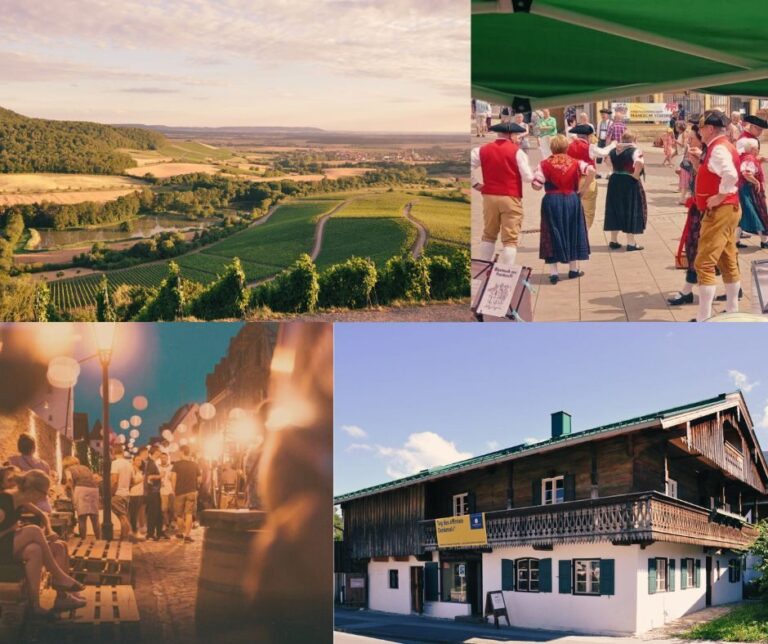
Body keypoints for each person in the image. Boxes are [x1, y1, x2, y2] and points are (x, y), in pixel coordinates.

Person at [0, 470, 86, 614]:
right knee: (33, 530)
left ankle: (35, 606)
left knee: (35, 550)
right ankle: (59, 577)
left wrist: (47, 530)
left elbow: (42, 515)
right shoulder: (4, 501)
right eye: (45, 493)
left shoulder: (20, 500)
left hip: (8, 547)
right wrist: (16, 532)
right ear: (33, 491)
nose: (45, 497)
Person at [693, 109, 742, 321]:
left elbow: (730, 174)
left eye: (701, 127)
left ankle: (704, 318)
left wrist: (720, 196)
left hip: (720, 210)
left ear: (710, 129)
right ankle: (732, 309)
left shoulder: (717, 149)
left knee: (704, 262)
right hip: (729, 209)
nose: (699, 131)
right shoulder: (721, 146)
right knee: (727, 258)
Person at [532, 134, 595, 283]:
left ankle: (554, 273)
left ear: (552, 148)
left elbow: (536, 186)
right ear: (567, 147)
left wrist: (533, 180)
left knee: (551, 232)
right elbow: (591, 170)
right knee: (572, 230)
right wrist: (584, 188)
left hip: (552, 200)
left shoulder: (543, 164)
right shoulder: (576, 162)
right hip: (572, 199)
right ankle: (573, 269)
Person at [471, 121, 534, 265]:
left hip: (489, 196)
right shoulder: (517, 152)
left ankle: (483, 267)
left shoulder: (482, 150)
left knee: (489, 234)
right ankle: (506, 272)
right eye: (517, 135)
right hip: (510, 196)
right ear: (510, 135)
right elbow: (528, 178)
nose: (519, 138)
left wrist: (475, 184)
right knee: (510, 239)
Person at [669, 123, 705, 306]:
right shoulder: (696, 156)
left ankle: (733, 292)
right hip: (698, 209)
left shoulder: (709, 158)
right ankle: (687, 290)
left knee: (699, 250)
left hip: (707, 213)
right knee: (696, 249)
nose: (688, 141)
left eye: (692, 138)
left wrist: (698, 164)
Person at [604, 129, 647, 251]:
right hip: (628, 181)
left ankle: (613, 240)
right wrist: (636, 175)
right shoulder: (635, 150)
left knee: (615, 208)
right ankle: (631, 243)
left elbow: (607, 160)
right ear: (634, 140)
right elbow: (639, 162)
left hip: (615, 180)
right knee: (630, 208)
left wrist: (614, 168)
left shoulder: (614, 150)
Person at [566, 124, 615, 228]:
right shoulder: (589, 147)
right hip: (587, 180)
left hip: (571, 181)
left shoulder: (568, 146)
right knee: (588, 211)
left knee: (572, 209)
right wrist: (613, 144)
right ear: (588, 136)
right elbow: (604, 152)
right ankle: (583, 236)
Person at [735, 137, 768, 249]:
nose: (758, 150)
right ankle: (764, 241)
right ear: (753, 149)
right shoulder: (749, 159)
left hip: (745, 189)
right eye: (757, 148)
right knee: (756, 213)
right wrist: (756, 182)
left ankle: (736, 240)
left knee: (746, 214)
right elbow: (746, 173)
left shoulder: (747, 157)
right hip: (748, 190)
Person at [8, 434, 53, 513]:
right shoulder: (44, 464)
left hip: (23, 504)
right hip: (42, 504)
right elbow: (48, 485)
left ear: (19, 447)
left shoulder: (13, 461)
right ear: (34, 447)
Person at [61, 455, 101, 540]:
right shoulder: (85, 468)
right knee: (95, 518)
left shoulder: (68, 469)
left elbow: (69, 480)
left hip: (81, 490)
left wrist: (67, 490)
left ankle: (83, 541)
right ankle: (99, 539)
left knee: (82, 518)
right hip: (94, 489)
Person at [172, 445, 200, 543]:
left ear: (182, 452)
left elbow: (173, 478)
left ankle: (180, 532)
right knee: (189, 514)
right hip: (191, 491)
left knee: (180, 514)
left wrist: (173, 490)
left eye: (179, 452)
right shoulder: (195, 464)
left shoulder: (177, 464)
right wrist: (196, 488)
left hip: (179, 492)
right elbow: (199, 479)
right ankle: (187, 535)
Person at [110, 445, 133, 541]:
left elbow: (114, 480)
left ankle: (126, 537)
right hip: (126, 493)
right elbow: (132, 480)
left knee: (122, 517)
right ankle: (124, 537)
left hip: (118, 493)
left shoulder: (115, 463)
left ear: (113, 452)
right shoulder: (129, 464)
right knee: (123, 516)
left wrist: (111, 493)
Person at [144, 446, 165, 541]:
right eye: (159, 451)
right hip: (152, 492)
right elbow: (149, 477)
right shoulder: (151, 463)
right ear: (156, 452)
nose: (161, 453)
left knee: (158, 513)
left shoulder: (152, 463)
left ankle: (159, 532)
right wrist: (160, 476)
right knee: (153, 513)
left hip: (155, 491)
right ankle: (150, 534)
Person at [128, 454, 146, 540]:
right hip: (133, 494)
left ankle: (134, 530)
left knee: (138, 513)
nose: (139, 462)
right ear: (133, 461)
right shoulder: (132, 469)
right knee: (133, 514)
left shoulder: (139, 470)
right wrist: (142, 479)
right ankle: (134, 532)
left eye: (140, 460)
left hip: (140, 494)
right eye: (137, 460)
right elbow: (131, 482)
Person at [158, 451, 174, 532]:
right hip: (162, 491)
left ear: (167, 458)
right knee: (164, 509)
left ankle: (171, 522)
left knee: (172, 509)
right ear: (160, 458)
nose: (163, 459)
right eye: (161, 457)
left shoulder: (172, 467)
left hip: (171, 490)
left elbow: (175, 478)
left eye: (165, 457)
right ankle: (167, 523)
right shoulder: (158, 467)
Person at [595, 108, 614, 176]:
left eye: (604, 114)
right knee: (599, 157)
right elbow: (597, 132)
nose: (602, 116)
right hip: (600, 141)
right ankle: (598, 173)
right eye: (602, 114)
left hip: (607, 142)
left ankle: (610, 172)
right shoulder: (599, 122)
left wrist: (610, 142)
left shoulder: (611, 123)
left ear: (608, 115)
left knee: (608, 157)